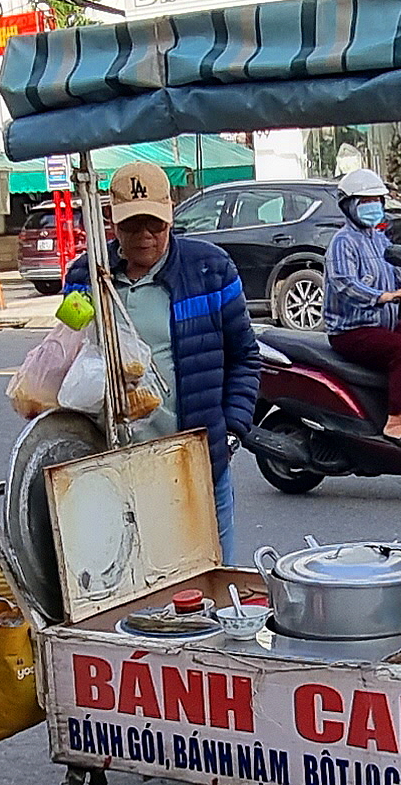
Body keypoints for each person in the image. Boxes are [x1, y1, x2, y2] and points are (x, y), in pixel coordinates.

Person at [59, 162, 259, 550]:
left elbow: (245, 357)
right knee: (127, 590)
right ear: (111, 222)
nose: (145, 236)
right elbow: (69, 352)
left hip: (194, 464)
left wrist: (232, 430)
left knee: (208, 589)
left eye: (156, 224)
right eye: (133, 225)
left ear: (170, 216)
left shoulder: (210, 270)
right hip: (113, 466)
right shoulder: (86, 275)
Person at [324, 169, 401, 441]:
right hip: (351, 330)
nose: (374, 207)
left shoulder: (378, 239)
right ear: (348, 205)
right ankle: (394, 420)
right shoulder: (342, 242)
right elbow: (346, 285)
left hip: (383, 324)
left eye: (378, 201)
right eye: (366, 202)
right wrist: (387, 296)